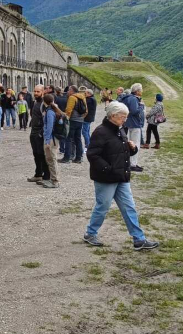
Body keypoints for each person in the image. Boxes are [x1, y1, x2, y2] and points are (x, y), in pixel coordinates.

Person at [83, 102, 158, 250]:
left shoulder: (120, 129)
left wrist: (133, 148)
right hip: (106, 178)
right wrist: (108, 169)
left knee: (129, 207)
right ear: (113, 116)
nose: (125, 120)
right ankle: (90, 233)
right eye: (123, 117)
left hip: (121, 176)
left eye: (126, 117)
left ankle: (139, 239)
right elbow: (92, 155)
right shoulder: (100, 131)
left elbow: (122, 153)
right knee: (103, 207)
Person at [28, 85, 50, 183]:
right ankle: (38, 174)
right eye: (35, 91)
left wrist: (41, 133)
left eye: (38, 91)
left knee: (42, 155)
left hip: (40, 133)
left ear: (42, 92)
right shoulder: (35, 102)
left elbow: (46, 120)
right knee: (36, 154)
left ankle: (46, 176)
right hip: (33, 131)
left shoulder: (44, 104)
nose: (36, 93)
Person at [120, 83, 144, 172]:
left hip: (128, 123)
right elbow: (134, 111)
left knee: (129, 142)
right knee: (135, 144)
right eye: (141, 90)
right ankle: (133, 164)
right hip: (134, 124)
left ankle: (129, 162)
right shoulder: (134, 99)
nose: (142, 91)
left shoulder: (127, 98)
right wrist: (141, 106)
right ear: (137, 91)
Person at [41, 94, 62, 188]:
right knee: (51, 159)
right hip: (53, 138)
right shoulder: (54, 109)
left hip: (51, 139)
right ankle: (53, 179)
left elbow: (49, 126)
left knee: (51, 159)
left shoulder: (50, 112)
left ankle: (55, 181)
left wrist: (47, 141)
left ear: (44, 102)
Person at [62, 85, 87, 164]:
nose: (68, 92)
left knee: (68, 139)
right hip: (80, 121)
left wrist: (66, 119)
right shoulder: (83, 97)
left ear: (72, 90)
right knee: (78, 139)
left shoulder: (72, 97)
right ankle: (78, 158)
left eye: (69, 90)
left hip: (72, 120)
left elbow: (68, 110)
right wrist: (82, 118)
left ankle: (67, 158)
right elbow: (86, 110)